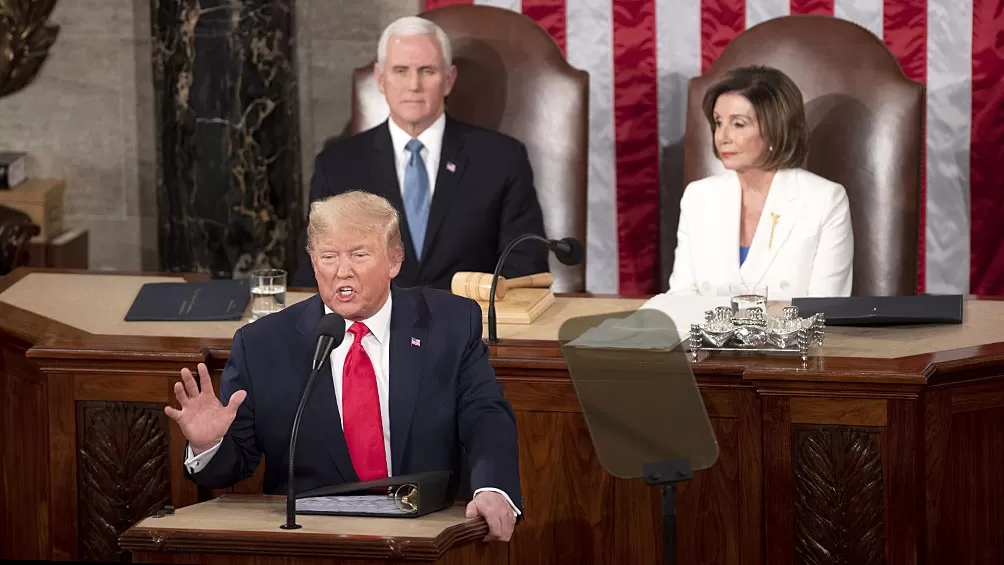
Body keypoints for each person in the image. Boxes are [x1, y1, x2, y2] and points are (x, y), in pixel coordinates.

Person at [166, 191, 522, 541]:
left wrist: (492, 487)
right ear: (312, 260)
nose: (342, 271)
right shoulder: (262, 344)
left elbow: (485, 414)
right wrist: (209, 444)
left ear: (395, 261)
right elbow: (234, 465)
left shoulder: (449, 324)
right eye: (328, 256)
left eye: (359, 254)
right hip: (311, 541)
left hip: (423, 534)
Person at [292, 16, 549, 291]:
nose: (413, 84)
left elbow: (525, 266)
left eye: (427, 70)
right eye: (400, 70)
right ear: (381, 79)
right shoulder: (337, 164)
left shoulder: (502, 159)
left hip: (472, 325)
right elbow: (315, 271)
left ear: (449, 80)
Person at [666, 65, 853, 300]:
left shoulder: (825, 199)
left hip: (794, 337)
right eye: (718, 122)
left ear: (775, 130)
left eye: (738, 124)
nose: (722, 137)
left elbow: (826, 309)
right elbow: (681, 297)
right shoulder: (698, 197)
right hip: (710, 337)